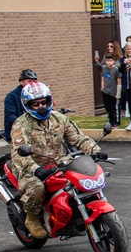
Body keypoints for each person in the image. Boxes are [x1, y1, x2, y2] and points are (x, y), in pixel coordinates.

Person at [10, 82, 100, 238]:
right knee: (37, 188)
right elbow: (19, 154)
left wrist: (95, 151)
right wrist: (36, 169)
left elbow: (78, 137)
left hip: (58, 162)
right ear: (27, 105)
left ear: (49, 101)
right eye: (35, 104)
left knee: (82, 178)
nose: (41, 106)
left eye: (43, 102)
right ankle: (32, 219)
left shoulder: (59, 119)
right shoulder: (21, 125)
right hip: (31, 167)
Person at [3, 69, 38, 141]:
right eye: (29, 81)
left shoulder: (39, 94)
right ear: (22, 82)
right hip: (18, 132)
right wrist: (24, 123)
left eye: (34, 81)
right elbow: (10, 116)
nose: (32, 84)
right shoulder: (12, 96)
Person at [97, 54, 120, 128]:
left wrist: (117, 93)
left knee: (113, 107)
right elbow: (103, 79)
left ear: (113, 61)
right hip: (105, 91)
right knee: (107, 107)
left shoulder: (116, 70)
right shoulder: (104, 69)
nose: (109, 62)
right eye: (107, 60)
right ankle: (110, 121)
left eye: (110, 61)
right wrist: (102, 88)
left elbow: (118, 81)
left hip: (113, 92)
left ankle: (115, 122)